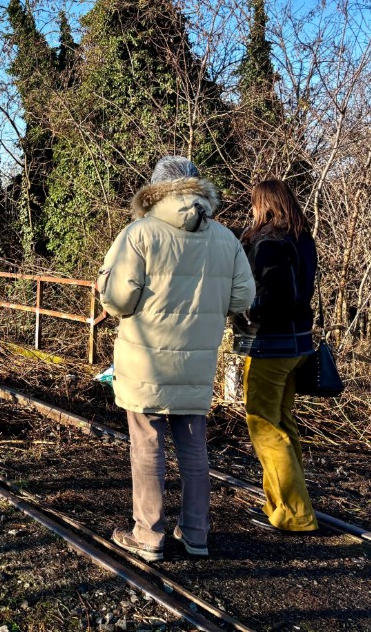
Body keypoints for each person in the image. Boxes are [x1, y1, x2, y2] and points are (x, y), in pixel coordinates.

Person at [96, 156, 255, 561]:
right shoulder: (225, 238)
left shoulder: (139, 233)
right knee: (194, 446)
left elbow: (118, 299)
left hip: (145, 360)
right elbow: (243, 298)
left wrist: (105, 285)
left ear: (155, 190)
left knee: (147, 444)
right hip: (198, 360)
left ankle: (148, 535)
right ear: (198, 189)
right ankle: (197, 533)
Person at [233, 179, 319, 533]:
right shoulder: (302, 237)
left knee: (263, 425)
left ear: (263, 203)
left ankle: (295, 514)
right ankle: (280, 505)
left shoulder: (269, 242)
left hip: (270, 346)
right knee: (283, 423)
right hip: (299, 345)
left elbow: (272, 297)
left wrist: (245, 312)